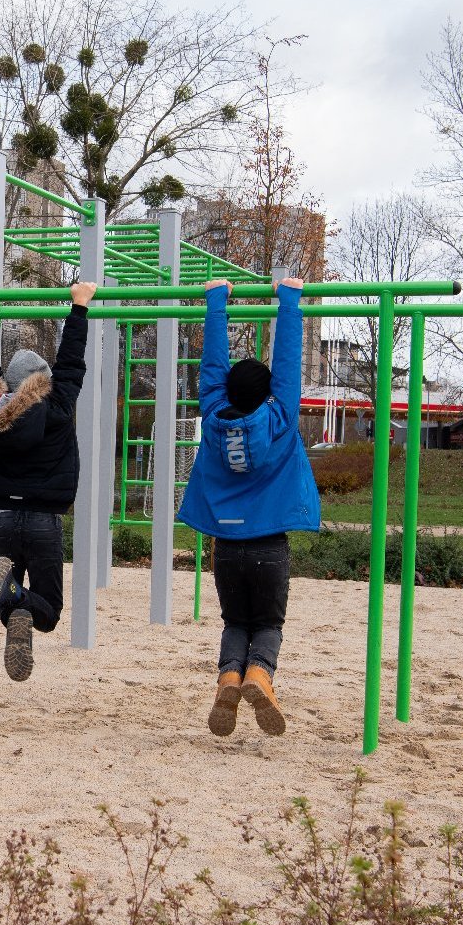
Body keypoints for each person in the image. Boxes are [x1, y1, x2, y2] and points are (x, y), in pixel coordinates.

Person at [177, 277, 320, 737]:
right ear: (269, 394)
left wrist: (216, 299)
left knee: (236, 620)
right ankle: (259, 673)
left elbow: (212, 365)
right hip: (269, 545)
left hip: (227, 547)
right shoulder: (279, 418)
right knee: (269, 624)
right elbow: (289, 364)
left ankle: (228, 679)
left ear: (227, 393)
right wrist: (290, 300)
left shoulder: (213, 416)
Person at [0, 280, 95, 681]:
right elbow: (72, 362)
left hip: (5, 519)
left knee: (3, 604)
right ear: (44, 381)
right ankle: (14, 590)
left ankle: (10, 588)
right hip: (43, 523)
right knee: (49, 612)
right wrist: (79, 308)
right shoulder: (57, 404)